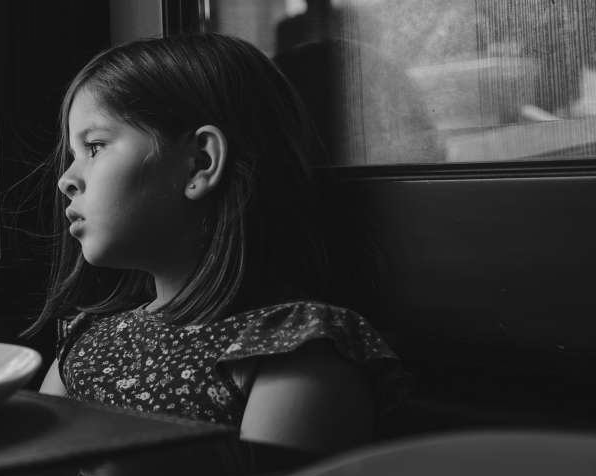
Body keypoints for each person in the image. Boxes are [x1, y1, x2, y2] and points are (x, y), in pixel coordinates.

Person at [30, 33, 405, 454]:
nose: (67, 179)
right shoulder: (88, 345)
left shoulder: (293, 351)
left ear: (201, 162)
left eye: (94, 147)